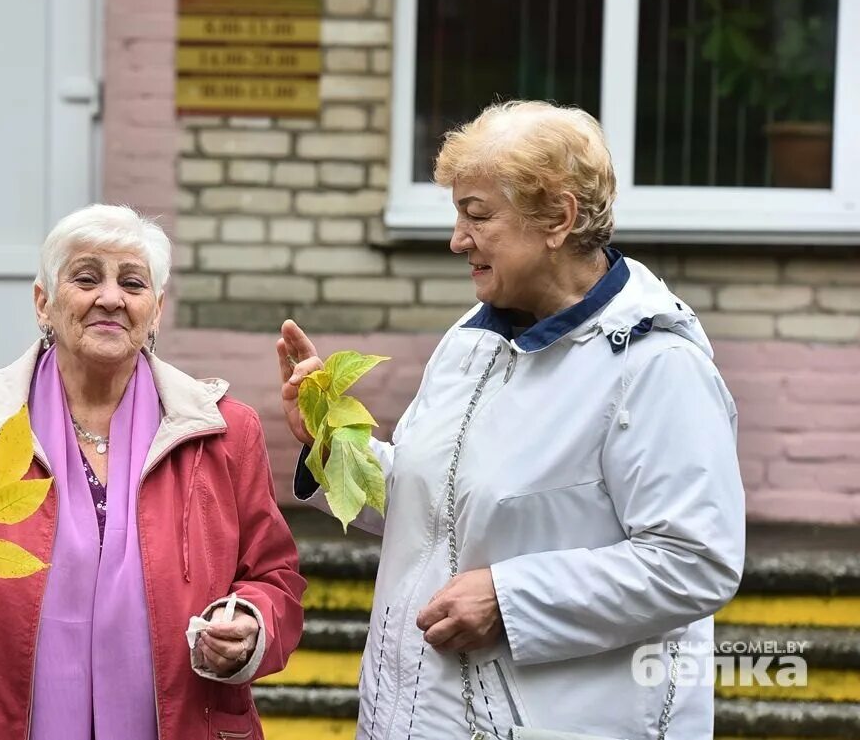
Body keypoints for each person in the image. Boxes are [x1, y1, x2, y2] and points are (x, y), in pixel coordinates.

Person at [278, 101, 745, 739]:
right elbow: (433, 512)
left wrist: (511, 599)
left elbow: (695, 560)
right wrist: (333, 445)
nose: (457, 239)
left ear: (558, 217)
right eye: (456, 214)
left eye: (478, 215)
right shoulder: (470, 341)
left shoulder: (656, 365)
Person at [0, 204, 305, 740]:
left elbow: (274, 578)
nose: (112, 298)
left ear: (157, 309)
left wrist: (251, 624)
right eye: (87, 278)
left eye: (133, 283)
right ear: (43, 303)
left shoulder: (225, 433)